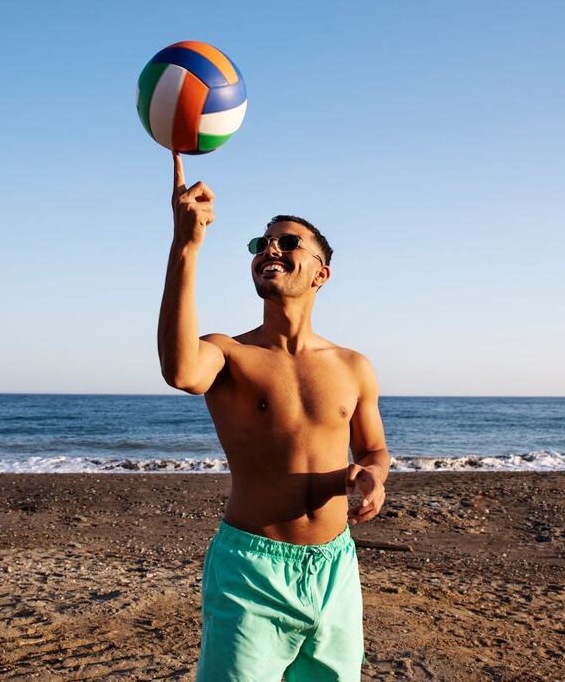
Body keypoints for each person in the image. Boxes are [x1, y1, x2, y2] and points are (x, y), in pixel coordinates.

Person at [157, 151, 391, 682]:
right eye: (262, 243)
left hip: (336, 569)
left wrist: (372, 477)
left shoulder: (354, 367)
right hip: (251, 571)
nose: (271, 248)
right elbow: (180, 370)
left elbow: (374, 449)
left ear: (321, 274)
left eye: (288, 243)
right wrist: (186, 245)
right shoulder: (230, 354)